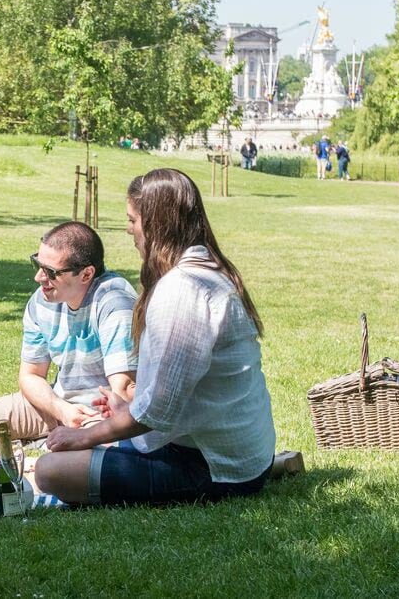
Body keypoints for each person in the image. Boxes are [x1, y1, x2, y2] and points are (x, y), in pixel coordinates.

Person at [36, 169, 279, 506]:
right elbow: (172, 396)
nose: (128, 228)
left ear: (155, 224)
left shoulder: (183, 289)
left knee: (50, 471)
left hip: (215, 467)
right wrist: (127, 408)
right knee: (93, 445)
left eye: (132, 219)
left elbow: (158, 412)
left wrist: (83, 437)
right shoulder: (206, 271)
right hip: (233, 454)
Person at [0, 222, 137, 447]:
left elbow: (124, 395)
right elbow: (30, 376)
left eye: (51, 272)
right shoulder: (42, 301)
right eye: (37, 264)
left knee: (83, 456)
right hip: (59, 405)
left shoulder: (114, 305)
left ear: (86, 274)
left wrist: (87, 422)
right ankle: (48, 440)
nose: (39, 278)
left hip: (101, 416)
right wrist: (62, 410)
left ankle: (52, 444)